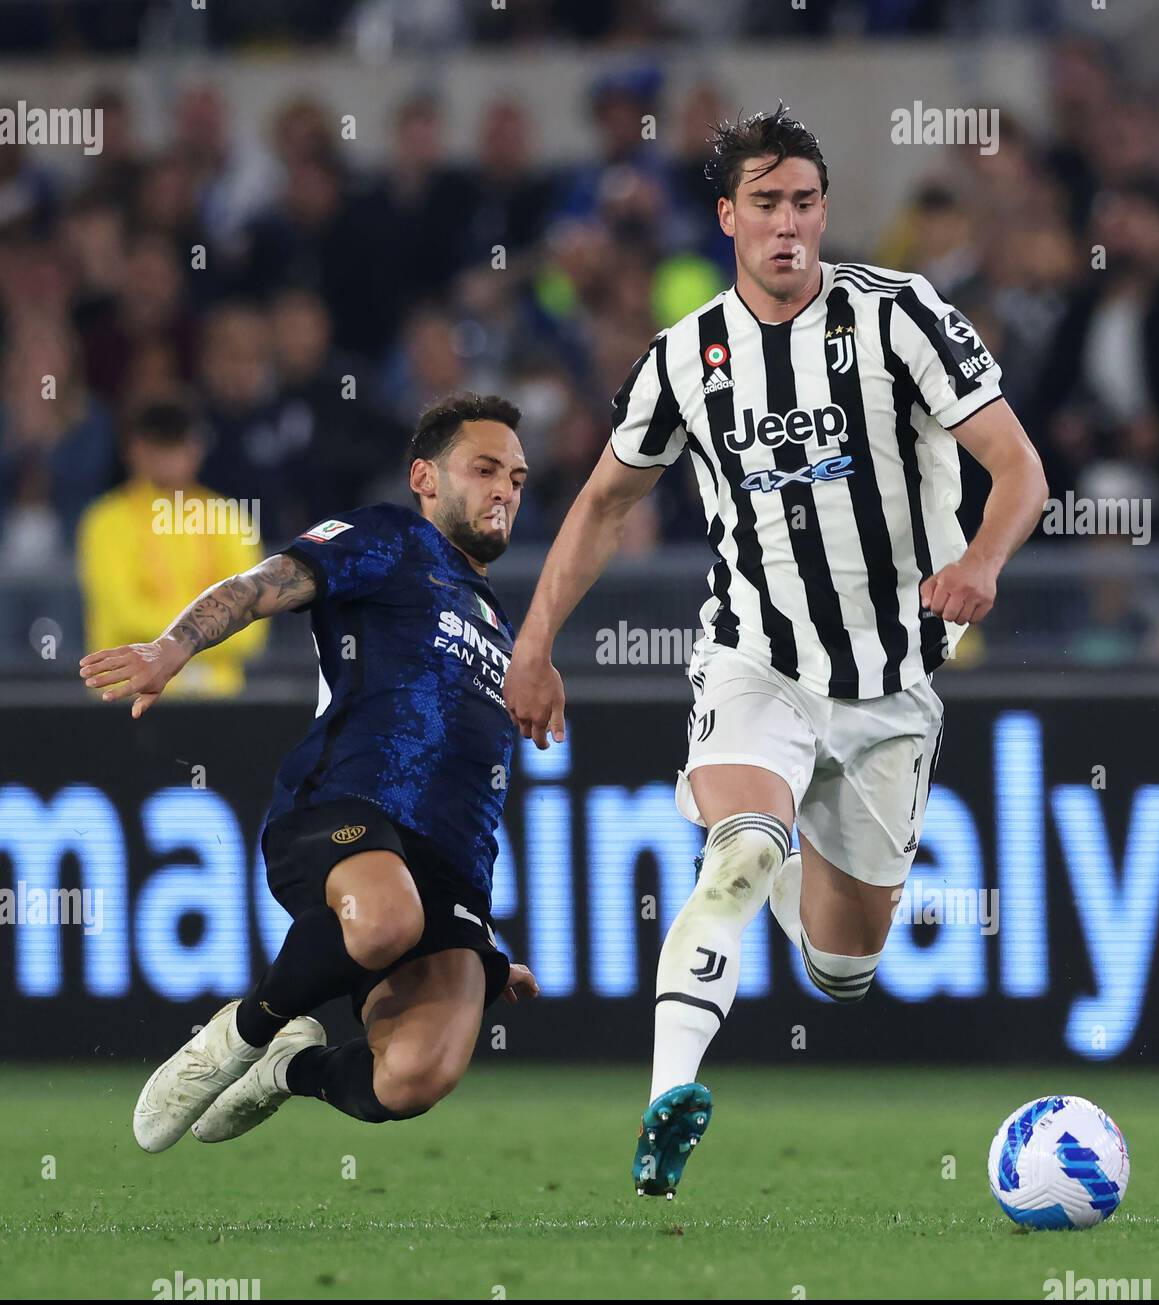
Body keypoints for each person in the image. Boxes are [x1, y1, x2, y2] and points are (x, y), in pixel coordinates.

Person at [502, 105, 1048, 1198]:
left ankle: (797, 864)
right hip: (755, 659)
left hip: (893, 683)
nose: (787, 224)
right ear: (727, 217)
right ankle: (666, 1102)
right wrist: (535, 642)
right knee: (738, 851)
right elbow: (606, 501)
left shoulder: (902, 318)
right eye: (765, 204)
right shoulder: (684, 357)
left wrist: (983, 560)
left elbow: (1018, 465)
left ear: (824, 210)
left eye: (803, 202)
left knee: (845, 966)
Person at [79, 392, 539, 1151]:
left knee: (417, 1076)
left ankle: (286, 1071)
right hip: (347, 806)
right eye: (485, 469)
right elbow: (264, 582)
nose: (504, 490)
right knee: (389, 918)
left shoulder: (497, 617)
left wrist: (481, 933)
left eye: (518, 479)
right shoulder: (387, 535)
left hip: (452, 867)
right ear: (425, 477)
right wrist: (172, 648)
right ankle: (236, 1038)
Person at [77, 396, 267, 697]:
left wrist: (168, 643)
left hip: (216, 700)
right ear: (134, 450)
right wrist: (204, 632)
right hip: (127, 694)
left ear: (196, 449)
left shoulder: (226, 515)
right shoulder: (106, 521)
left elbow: (253, 627)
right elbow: (121, 616)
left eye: (176, 445)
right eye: (159, 446)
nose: (168, 457)